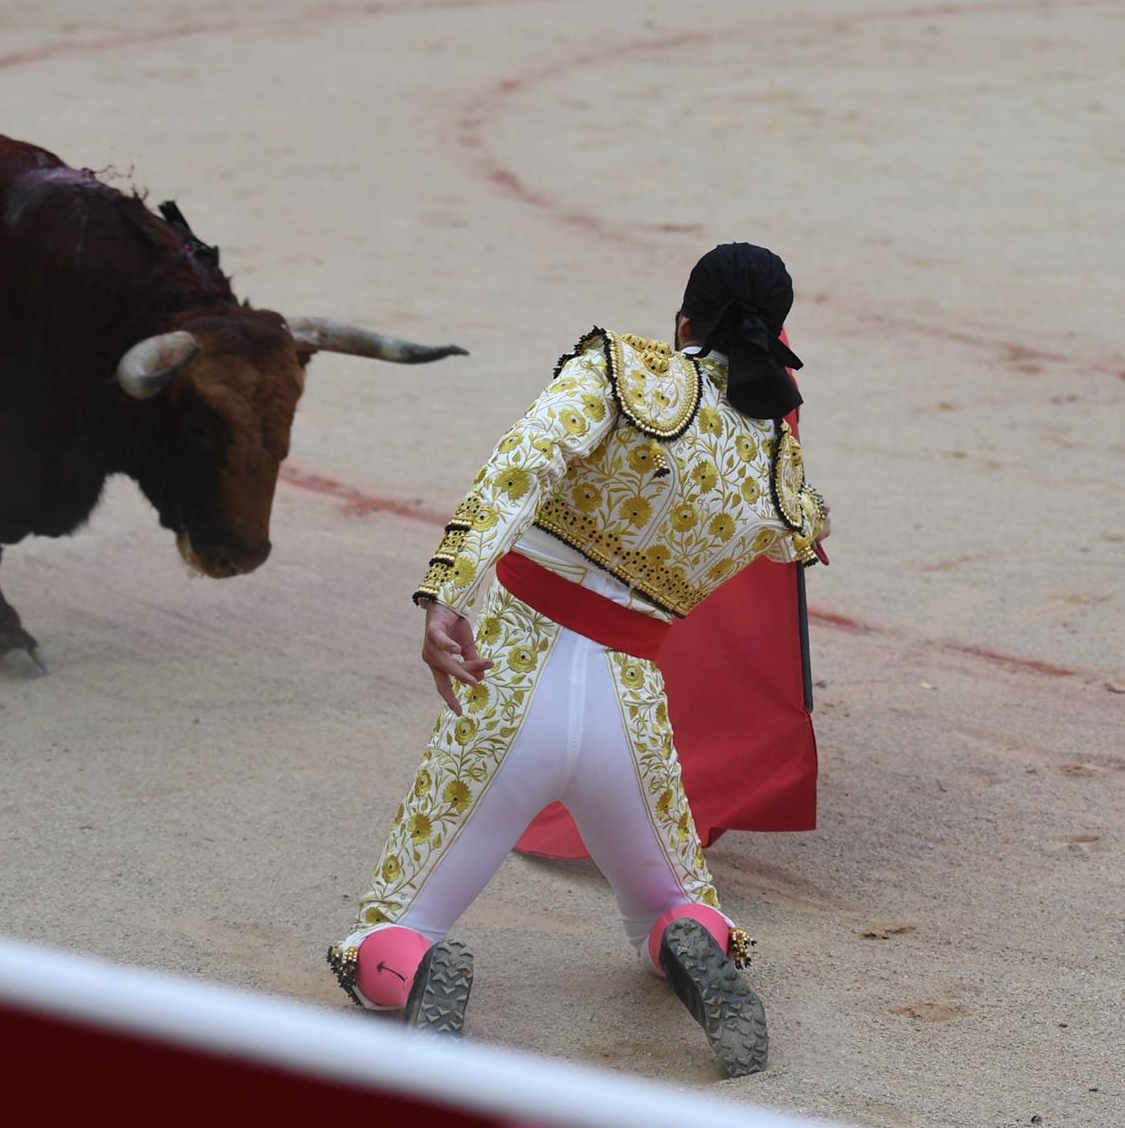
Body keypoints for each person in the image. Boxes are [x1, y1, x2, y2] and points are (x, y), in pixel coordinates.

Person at [326, 243, 829, 1078]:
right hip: (628, 716)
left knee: (391, 929)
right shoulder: (774, 464)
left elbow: (520, 467)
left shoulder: (622, 372)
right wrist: (767, 428)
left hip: (509, 679)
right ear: (775, 335)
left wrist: (448, 592)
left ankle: (412, 966)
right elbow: (800, 534)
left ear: (684, 322)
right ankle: (690, 939)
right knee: (673, 903)